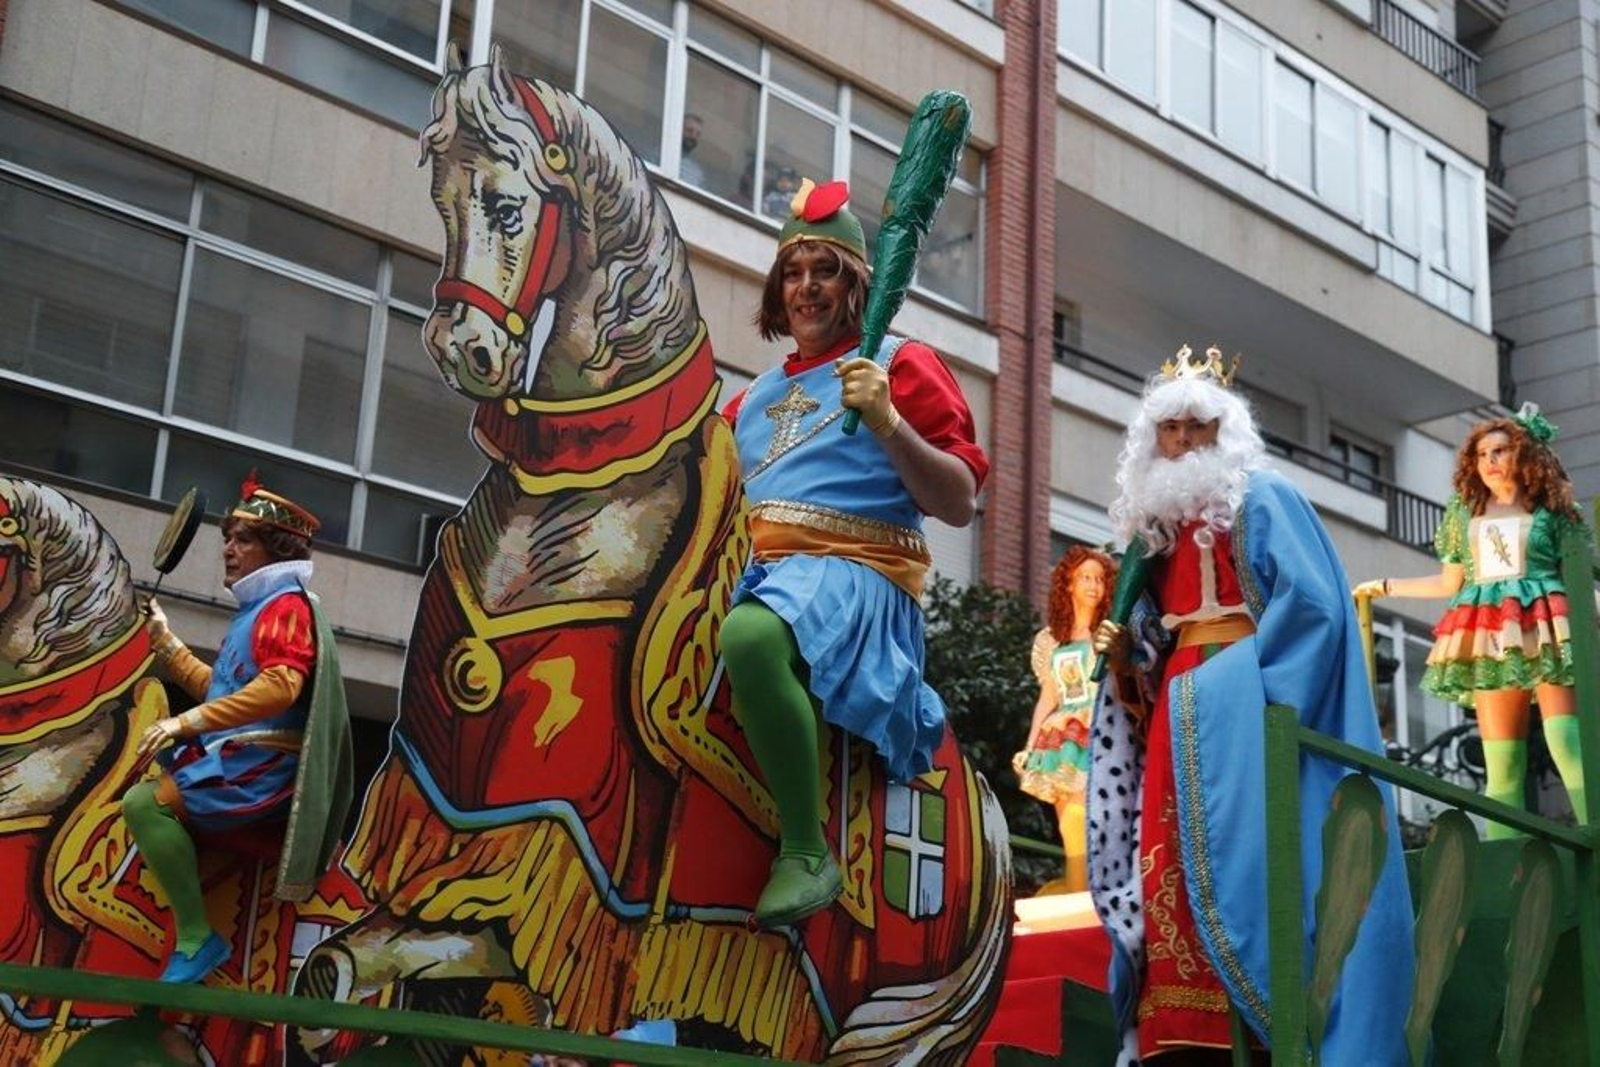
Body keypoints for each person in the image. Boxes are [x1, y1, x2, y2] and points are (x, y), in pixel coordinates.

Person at [1089, 346, 1412, 1064]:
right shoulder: (1154, 533)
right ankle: (1178, 1017)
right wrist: (1126, 654)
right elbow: (1145, 652)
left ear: (1224, 431)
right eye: (1167, 430)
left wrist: (1243, 686)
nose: (1180, 442)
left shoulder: (1263, 499)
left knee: (1248, 845)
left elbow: (1315, 608)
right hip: (1179, 703)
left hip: (1238, 695)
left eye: (1195, 426)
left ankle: (1256, 1010)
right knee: (1168, 853)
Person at [719, 178, 989, 929]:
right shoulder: (748, 399)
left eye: (825, 269)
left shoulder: (902, 364)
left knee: (748, 632)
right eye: (794, 271)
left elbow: (959, 501)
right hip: (761, 575)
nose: (807, 287)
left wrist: (887, 420)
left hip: (856, 581)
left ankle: (806, 850)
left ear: (857, 282)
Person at [131, 475, 352, 983]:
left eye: (243, 540)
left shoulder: (286, 607)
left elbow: (279, 689)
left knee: (145, 804)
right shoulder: (256, 611)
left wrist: (183, 722)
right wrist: (168, 647)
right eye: (227, 539)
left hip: (262, 768)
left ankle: (196, 937)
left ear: (277, 549)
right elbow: (224, 693)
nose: (229, 550)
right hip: (239, 757)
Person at [1354, 404, 1589, 833]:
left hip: (1548, 627)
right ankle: (1507, 864)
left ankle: (1594, 839)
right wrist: (1386, 586)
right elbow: (1449, 584)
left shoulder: (1551, 511)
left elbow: (1578, 576)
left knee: (1569, 744)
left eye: (1500, 451)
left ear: (1523, 455)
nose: (1490, 462)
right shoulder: (1464, 514)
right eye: (1482, 455)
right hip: (1491, 635)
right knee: (1502, 763)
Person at [1014, 546, 1115, 893]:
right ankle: (1079, 889)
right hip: (1063, 736)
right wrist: (1028, 747)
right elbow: (1048, 697)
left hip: (1102, 728)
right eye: (1085, 577)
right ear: (1068, 584)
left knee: (1089, 817)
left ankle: (1087, 890)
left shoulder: (1107, 635)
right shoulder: (1051, 641)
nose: (1093, 585)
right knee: (1069, 822)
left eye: (1099, 579)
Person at [679, 112, 706, 187]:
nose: (693, 137)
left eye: (698, 134)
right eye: (689, 131)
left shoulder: (697, 172)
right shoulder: (659, 156)